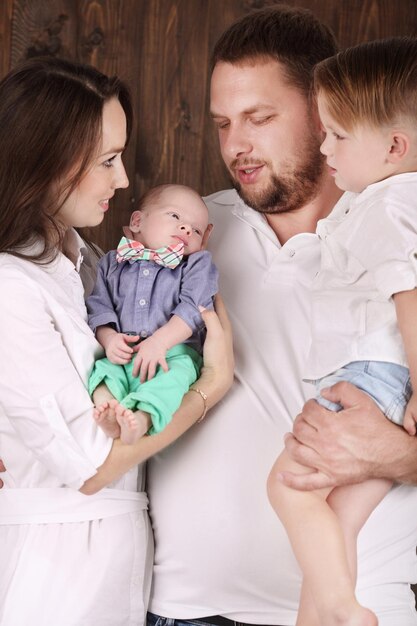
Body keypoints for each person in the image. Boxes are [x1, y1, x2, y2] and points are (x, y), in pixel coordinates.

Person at [146, 7, 417, 626]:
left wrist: (402, 457)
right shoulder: (189, 234)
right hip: (176, 610)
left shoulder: (393, 228)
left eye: (260, 118)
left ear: (323, 109)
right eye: (222, 123)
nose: (236, 145)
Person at [0, 56, 232, 626]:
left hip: (124, 566)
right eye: (107, 160)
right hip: (54, 576)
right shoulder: (13, 286)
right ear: (43, 162)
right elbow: (89, 461)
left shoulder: (94, 268)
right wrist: (209, 388)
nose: (125, 179)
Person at [267, 36, 417, 626]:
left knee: (290, 487)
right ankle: (330, 613)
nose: (324, 146)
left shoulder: (391, 204)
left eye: (337, 135)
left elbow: (411, 297)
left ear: (395, 146)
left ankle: (334, 608)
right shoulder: (379, 200)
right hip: (377, 374)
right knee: (337, 514)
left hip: (371, 373)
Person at [86, 183, 218, 443]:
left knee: (174, 383)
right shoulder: (112, 262)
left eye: (196, 229)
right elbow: (99, 305)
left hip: (173, 354)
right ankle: (109, 409)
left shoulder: (196, 264)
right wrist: (109, 339)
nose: (186, 229)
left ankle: (142, 420)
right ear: (138, 221)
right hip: (125, 353)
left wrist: (160, 342)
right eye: (175, 216)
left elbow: (194, 307)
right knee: (101, 371)